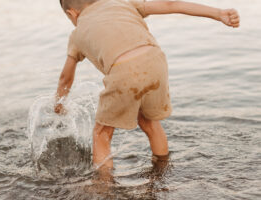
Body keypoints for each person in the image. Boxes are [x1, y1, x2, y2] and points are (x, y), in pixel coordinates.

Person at [54, 0, 240, 170]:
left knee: (101, 133)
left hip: (123, 70)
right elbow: (170, 4)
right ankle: (161, 169)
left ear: (72, 14)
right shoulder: (123, 3)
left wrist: (59, 103)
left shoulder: (77, 34)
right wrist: (218, 13)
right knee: (149, 121)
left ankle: (103, 189)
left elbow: (65, 77)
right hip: (155, 60)